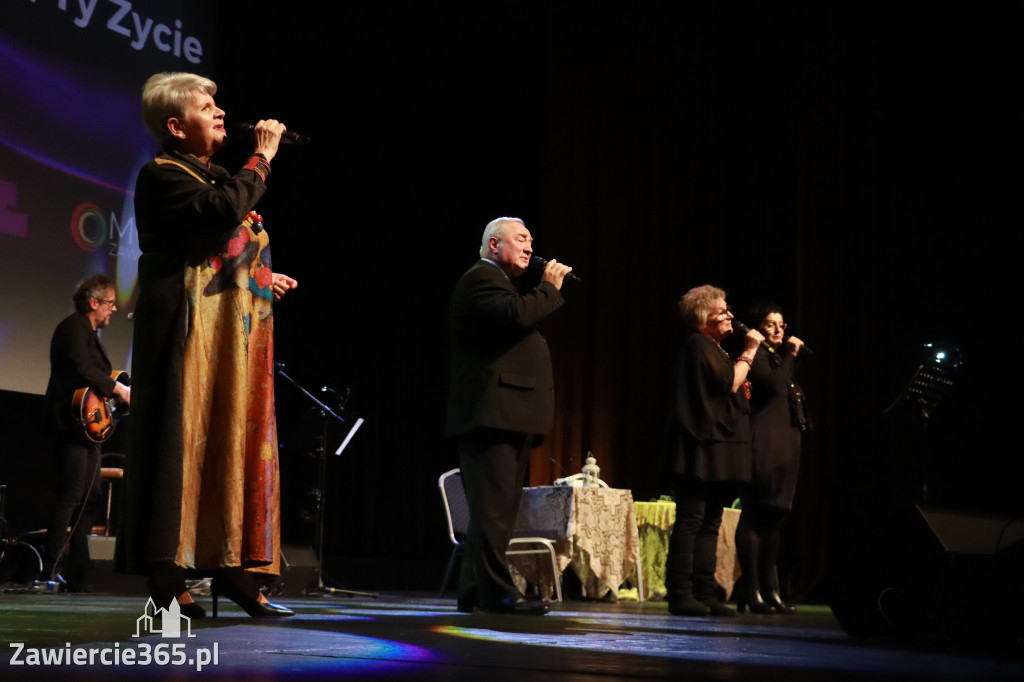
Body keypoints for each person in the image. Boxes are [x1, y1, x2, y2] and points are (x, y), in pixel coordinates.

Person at [114, 72, 297, 619]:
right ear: (176, 126)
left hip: (230, 341)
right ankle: (170, 577)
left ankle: (237, 571)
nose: (220, 112)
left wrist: (262, 279)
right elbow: (217, 216)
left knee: (229, 442)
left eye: (218, 102)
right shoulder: (163, 174)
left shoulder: (211, 174)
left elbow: (222, 248)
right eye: (205, 106)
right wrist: (262, 158)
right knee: (181, 443)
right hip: (184, 337)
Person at [446, 217, 572, 615]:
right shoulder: (481, 278)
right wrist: (549, 288)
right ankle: (499, 593)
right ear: (494, 244)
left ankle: (474, 591)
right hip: (491, 416)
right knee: (493, 512)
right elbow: (518, 315)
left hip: (506, 416)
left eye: (531, 240)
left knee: (496, 512)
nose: (530, 247)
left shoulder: (500, 284)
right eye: (521, 239)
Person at [666, 285, 763, 616]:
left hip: (719, 448)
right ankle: (680, 593)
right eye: (723, 311)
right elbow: (728, 383)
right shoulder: (698, 344)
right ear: (703, 316)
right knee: (692, 519)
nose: (730, 316)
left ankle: (705, 591)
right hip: (700, 448)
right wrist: (749, 351)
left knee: (711, 520)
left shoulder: (714, 348)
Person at [43, 274, 131, 590]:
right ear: (93, 303)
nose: (114, 309)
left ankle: (77, 572)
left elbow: (94, 371)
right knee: (70, 495)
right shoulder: (73, 327)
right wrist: (118, 388)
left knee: (90, 496)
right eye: (109, 303)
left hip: (87, 428)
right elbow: (81, 367)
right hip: (69, 423)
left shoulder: (89, 332)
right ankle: (49, 570)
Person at [733, 303, 809, 614]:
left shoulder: (777, 358)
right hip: (763, 444)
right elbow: (775, 386)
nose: (777, 330)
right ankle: (750, 591)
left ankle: (771, 590)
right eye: (770, 324)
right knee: (755, 513)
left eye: (781, 324)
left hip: (786, 448)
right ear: (758, 328)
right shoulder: (761, 356)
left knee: (776, 518)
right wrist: (792, 355)